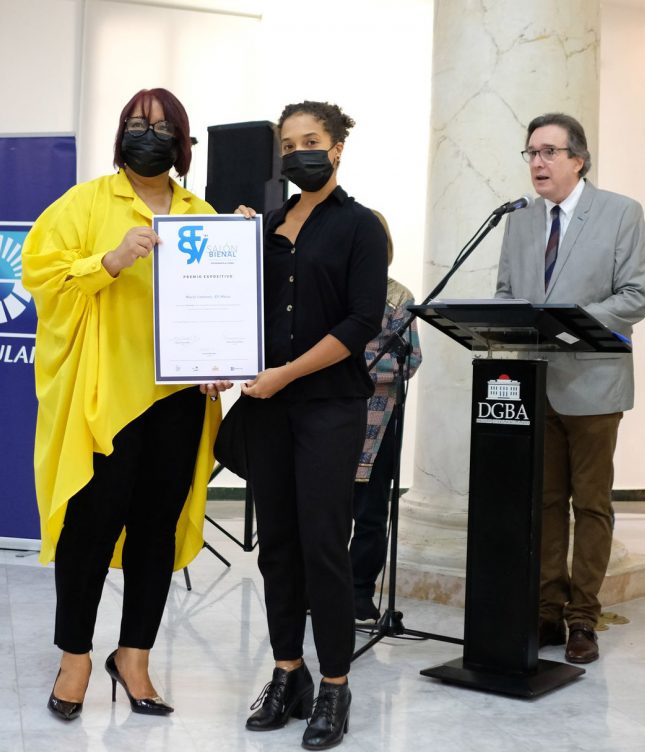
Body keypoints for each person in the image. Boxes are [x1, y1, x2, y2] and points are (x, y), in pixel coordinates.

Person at [22, 88, 228, 721]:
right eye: (139, 125)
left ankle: (134, 655)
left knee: (154, 536)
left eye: (164, 127)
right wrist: (108, 261)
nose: (150, 135)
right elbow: (40, 273)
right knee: (89, 529)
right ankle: (75, 658)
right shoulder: (86, 202)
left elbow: (220, 301)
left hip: (178, 400)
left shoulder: (202, 211)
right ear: (121, 134)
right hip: (106, 397)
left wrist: (221, 359)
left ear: (182, 141)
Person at [234, 101, 387, 749]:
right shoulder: (265, 225)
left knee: (325, 545)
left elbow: (360, 325)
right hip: (268, 408)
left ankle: (334, 686)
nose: (301, 152)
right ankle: (287, 672)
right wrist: (233, 246)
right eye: (290, 144)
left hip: (329, 406)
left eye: (313, 141)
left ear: (338, 148)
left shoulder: (360, 227)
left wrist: (287, 373)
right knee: (278, 547)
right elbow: (237, 310)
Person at [495, 112, 645, 664]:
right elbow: (507, 293)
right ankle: (545, 611)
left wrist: (569, 320)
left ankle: (583, 616)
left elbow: (636, 296)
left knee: (591, 505)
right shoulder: (518, 221)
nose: (537, 162)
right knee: (542, 503)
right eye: (531, 153)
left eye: (548, 152)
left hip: (593, 384)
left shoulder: (620, 213)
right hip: (533, 385)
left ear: (577, 159)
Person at [350, 210, 422, 622]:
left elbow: (410, 360)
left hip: (380, 419)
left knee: (372, 512)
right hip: (331, 416)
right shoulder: (332, 290)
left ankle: (360, 592)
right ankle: (319, 590)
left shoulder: (399, 296)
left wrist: (351, 366)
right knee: (328, 510)